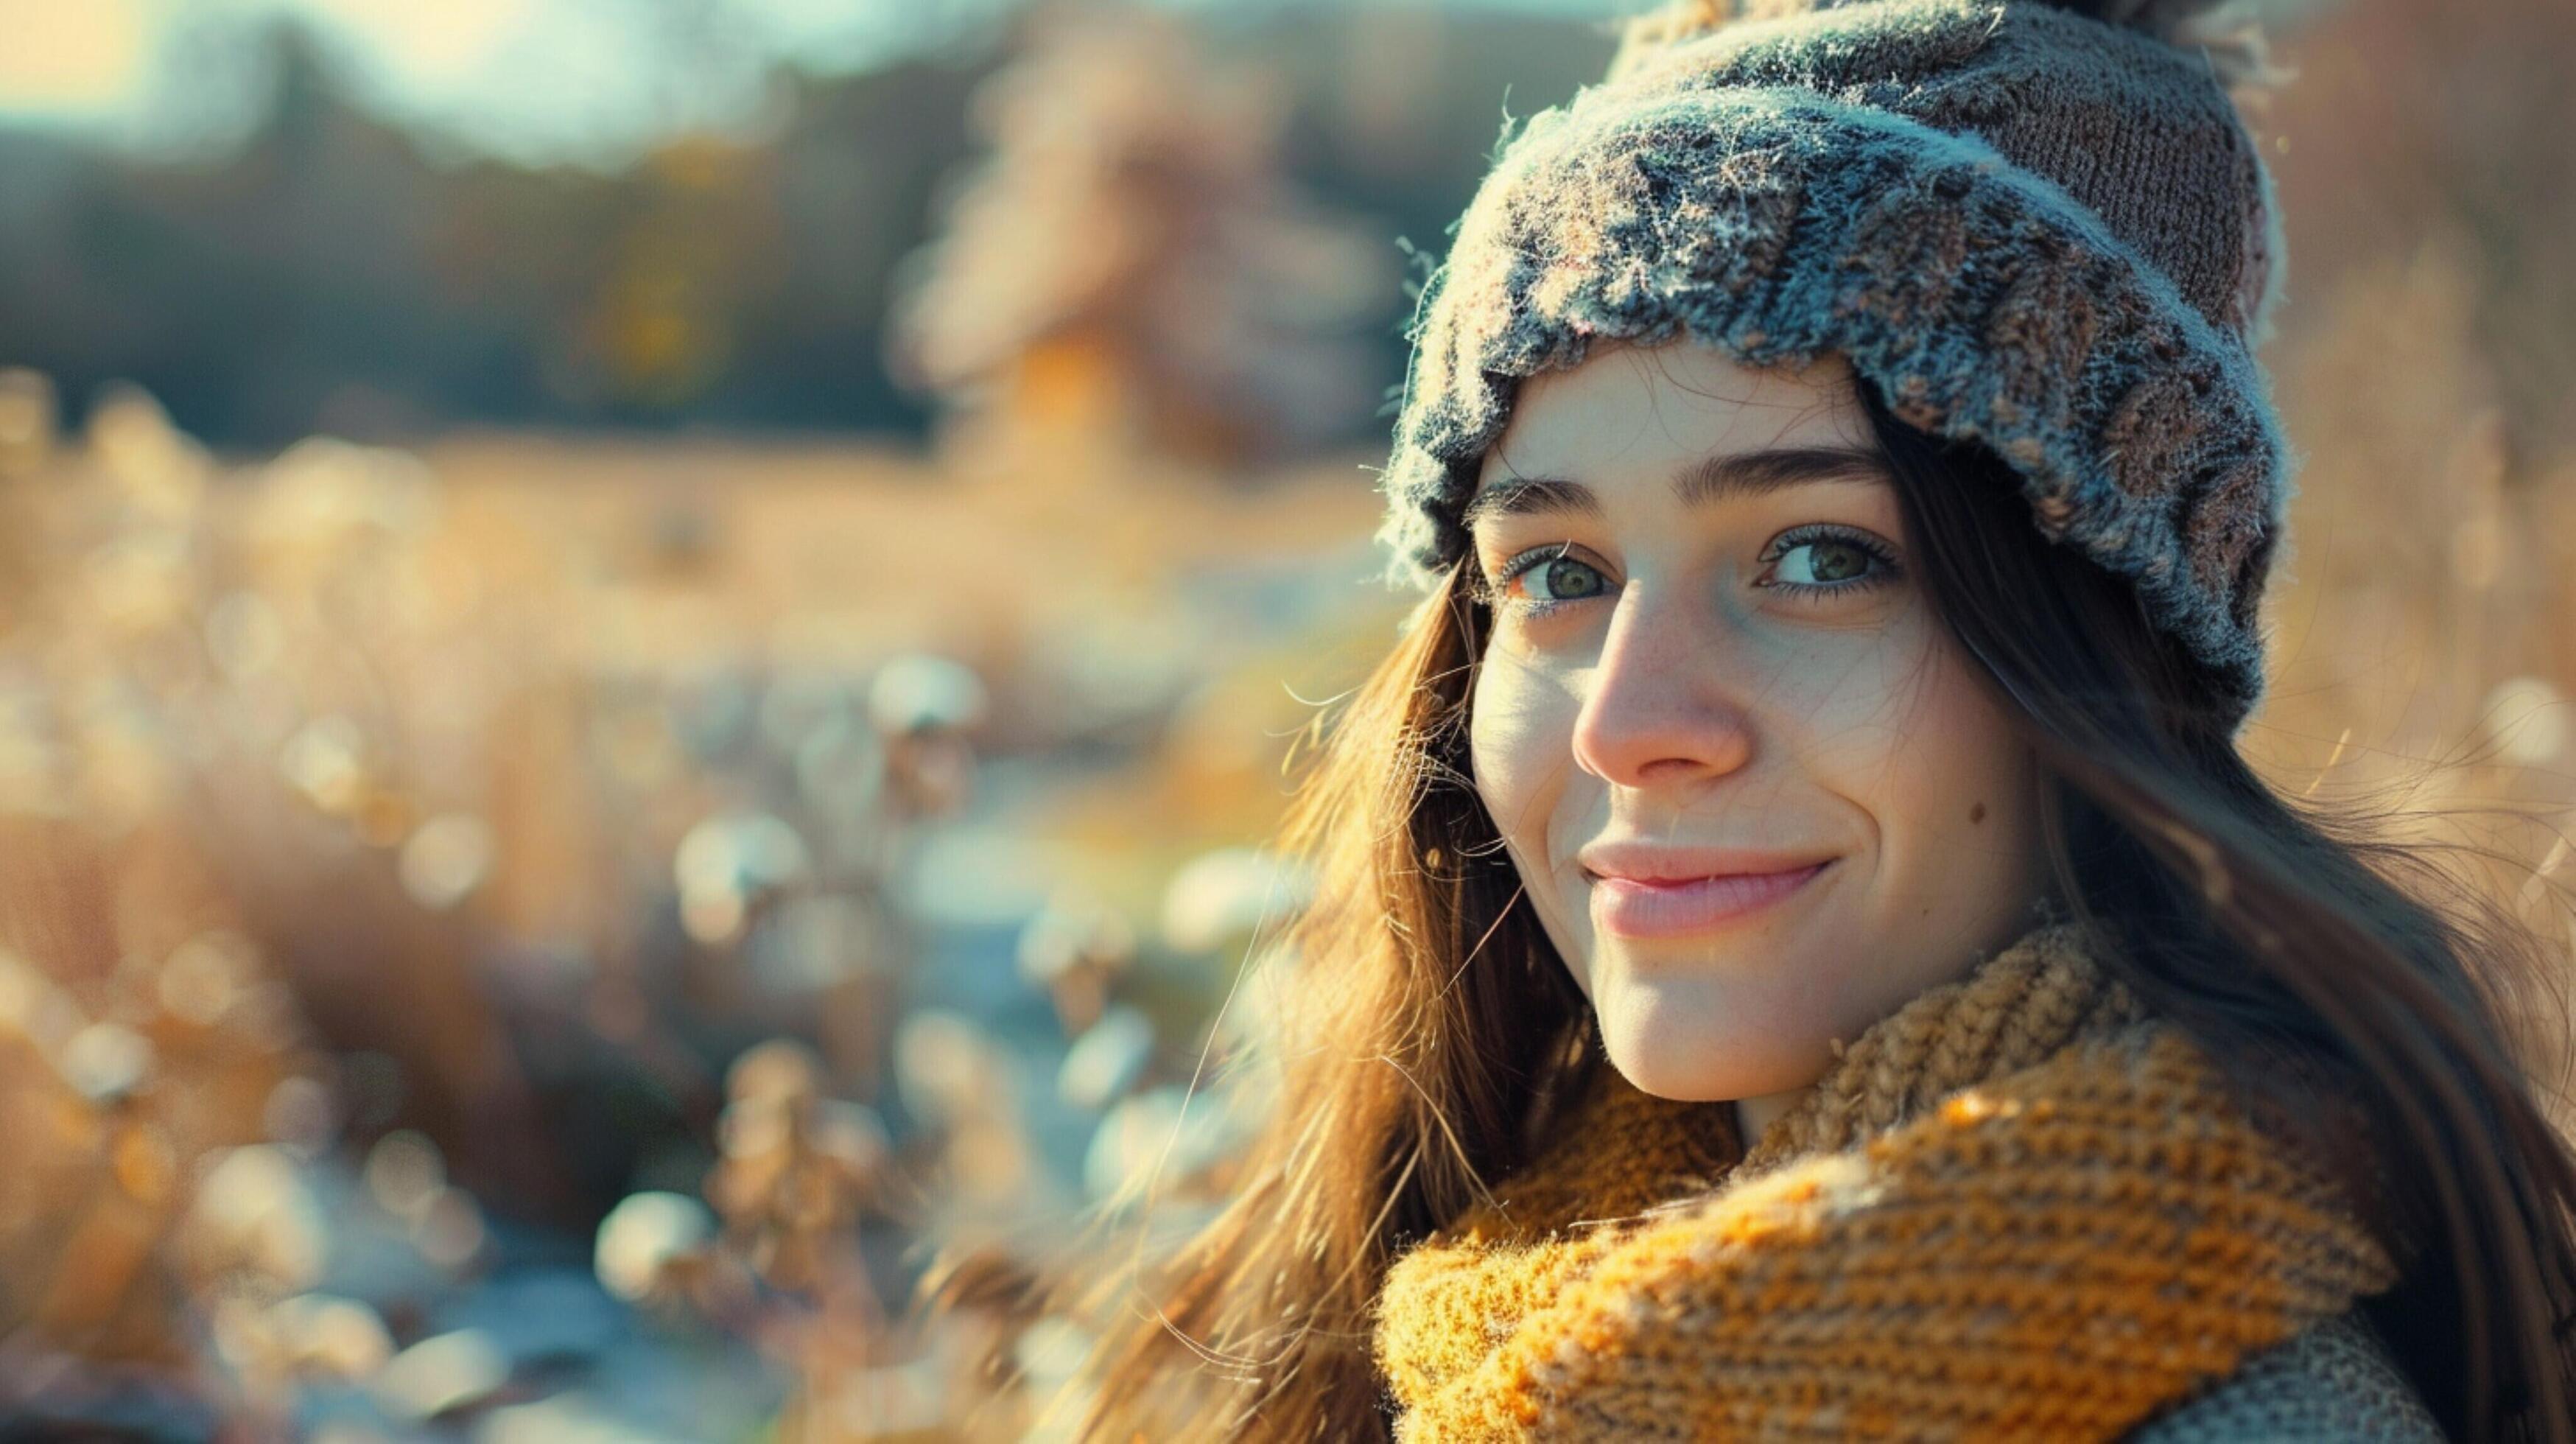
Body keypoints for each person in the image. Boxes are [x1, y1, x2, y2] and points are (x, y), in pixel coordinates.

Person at [1056, 1, 2576, 1438]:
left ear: (2106, 648)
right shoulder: (1455, 1311)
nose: (1630, 723)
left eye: (1819, 557)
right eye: (1560, 573)